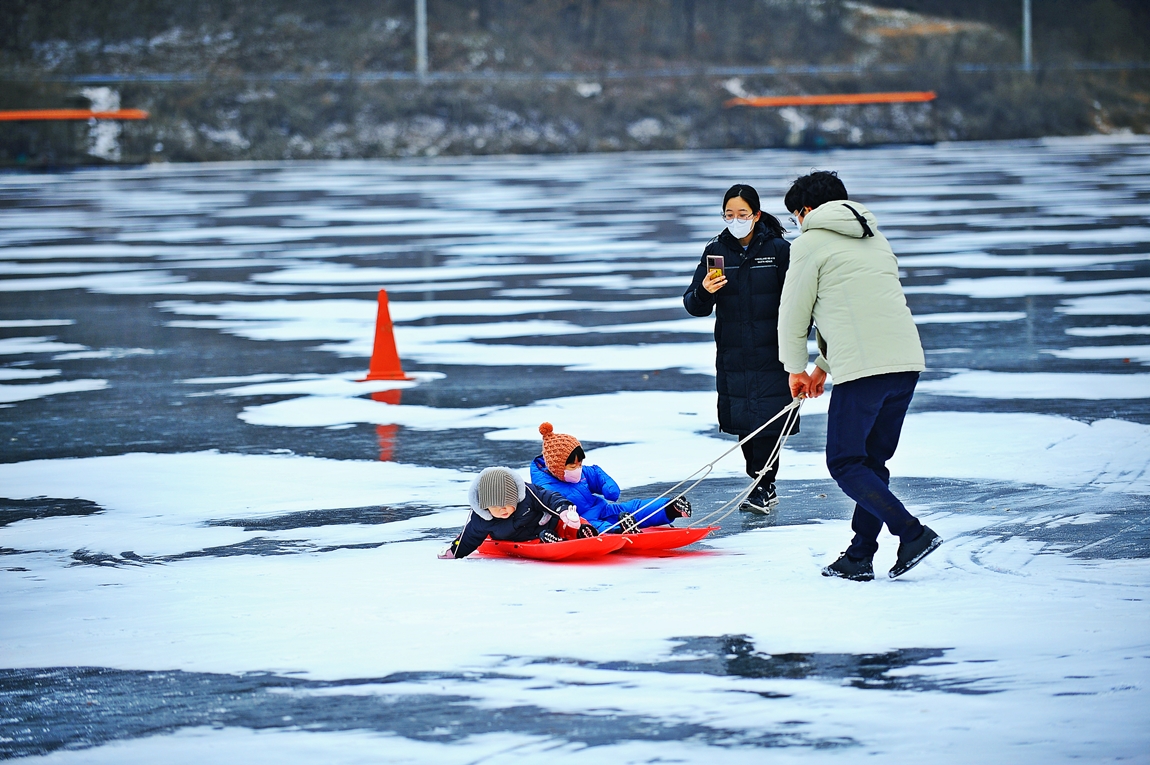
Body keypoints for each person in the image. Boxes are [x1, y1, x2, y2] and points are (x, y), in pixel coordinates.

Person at [778, 170, 942, 581]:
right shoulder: (876, 239)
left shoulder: (810, 243)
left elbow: (794, 315)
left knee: (845, 461)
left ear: (807, 210)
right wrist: (823, 368)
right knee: (871, 461)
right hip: (904, 362)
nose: (797, 222)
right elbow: (856, 309)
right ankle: (859, 555)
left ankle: (911, 532)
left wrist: (796, 370)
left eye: (796, 214)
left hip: (865, 370)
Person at [683, 183, 795, 514]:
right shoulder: (716, 251)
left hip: (773, 351)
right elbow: (694, 304)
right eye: (728, 214)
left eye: (742, 214)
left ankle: (764, 484)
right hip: (733, 351)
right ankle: (760, 483)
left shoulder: (778, 250)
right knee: (746, 423)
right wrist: (704, 291)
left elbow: (799, 299)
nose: (735, 219)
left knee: (770, 420)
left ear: (756, 215)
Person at [530, 422, 691, 534]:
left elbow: (596, 474)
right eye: (573, 465)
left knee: (632, 507)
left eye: (580, 463)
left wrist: (607, 485)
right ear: (556, 468)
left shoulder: (580, 473)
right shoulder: (546, 488)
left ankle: (670, 507)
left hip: (602, 507)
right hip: (581, 521)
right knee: (599, 526)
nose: (578, 469)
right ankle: (621, 529)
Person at [438, 466, 590, 559]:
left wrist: (563, 510)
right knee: (539, 539)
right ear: (485, 506)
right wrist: (454, 551)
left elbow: (549, 498)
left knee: (568, 523)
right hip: (529, 539)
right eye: (497, 506)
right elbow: (468, 538)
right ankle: (553, 542)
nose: (503, 509)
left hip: (549, 523)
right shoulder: (481, 520)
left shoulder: (528, 495)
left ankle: (582, 531)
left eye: (508, 503)